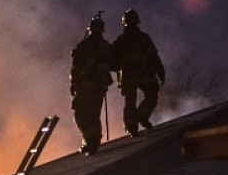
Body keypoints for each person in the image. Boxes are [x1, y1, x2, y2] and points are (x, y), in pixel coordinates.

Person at [110, 8, 165, 137]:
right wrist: (160, 72)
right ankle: (142, 115)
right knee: (151, 95)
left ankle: (131, 126)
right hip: (144, 74)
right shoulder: (144, 38)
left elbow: (112, 62)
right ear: (137, 22)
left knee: (129, 102)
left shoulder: (120, 41)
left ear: (124, 23)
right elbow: (153, 57)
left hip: (127, 78)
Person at [70, 11, 113, 156]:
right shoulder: (106, 46)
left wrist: (74, 83)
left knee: (80, 113)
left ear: (90, 29)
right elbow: (114, 64)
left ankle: (90, 139)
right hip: (100, 88)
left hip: (85, 86)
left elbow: (76, 67)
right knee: (94, 115)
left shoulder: (84, 46)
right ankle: (93, 142)